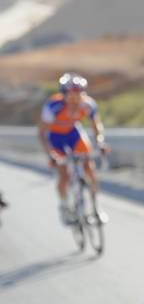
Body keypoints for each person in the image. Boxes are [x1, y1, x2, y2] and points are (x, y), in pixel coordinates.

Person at [38, 72, 109, 225]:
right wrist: (51, 154)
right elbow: (42, 134)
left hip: (73, 133)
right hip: (55, 137)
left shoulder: (88, 104)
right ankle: (64, 206)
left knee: (89, 167)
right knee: (64, 174)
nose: (75, 99)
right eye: (71, 95)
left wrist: (100, 142)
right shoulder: (53, 106)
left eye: (79, 94)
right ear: (63, 94)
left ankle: (96, 208)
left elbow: (96, 125)